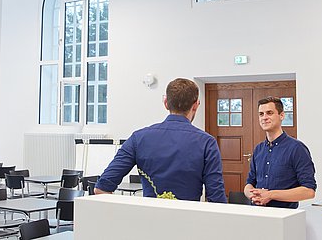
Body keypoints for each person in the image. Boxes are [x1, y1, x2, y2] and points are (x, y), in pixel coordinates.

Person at [95, 78, 227, 203]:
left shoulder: (138, 138)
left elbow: (101, 189)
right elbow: (216, 200)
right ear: (195, 105)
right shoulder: (207, 143)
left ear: (166, 103)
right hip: (188, 223)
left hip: (148, 222)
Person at [244, 97, 316, 208]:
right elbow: (249, 184)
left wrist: (270, 195)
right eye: (261, 114)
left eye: (269, 113)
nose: (264, 118)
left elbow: (309, 191)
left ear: (281, 115)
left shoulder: (297, 149)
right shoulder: (258, 149)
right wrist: (251, 194)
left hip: (285, 218)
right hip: (256, 214)